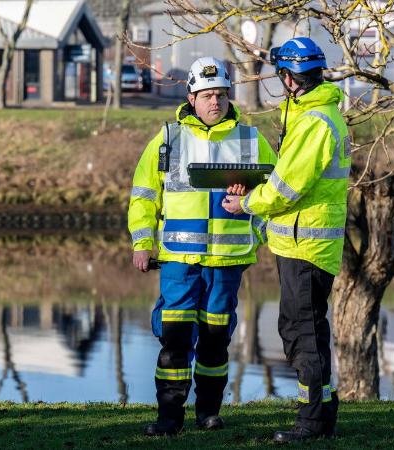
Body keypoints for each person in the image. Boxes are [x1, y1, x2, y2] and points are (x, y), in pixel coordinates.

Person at [127, 56, 276, 436]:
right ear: (191, 97)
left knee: (215, 342)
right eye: (207, 95)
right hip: (179, 261)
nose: (215, 102)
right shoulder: (167, 139)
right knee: (175, 342)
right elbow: (144, 196)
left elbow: (275, 196)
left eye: (221, 95)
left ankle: (209, 412)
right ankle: (169, 418)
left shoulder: (250, 139)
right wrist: (142, 243)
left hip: (227, 262)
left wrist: (255, 231)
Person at [222, 37, 350, 442]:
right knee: (304, 330)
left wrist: (247, 205)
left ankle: (311, 423)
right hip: (302, 244)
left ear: (292, 78)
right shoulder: (311, 115)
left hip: (305, 245)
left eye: (283, 76)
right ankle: (322, 414)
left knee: (302, 335)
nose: (282, 84)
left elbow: (286, 187)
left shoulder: (315, 123)